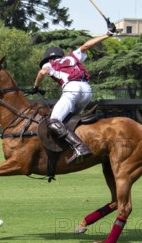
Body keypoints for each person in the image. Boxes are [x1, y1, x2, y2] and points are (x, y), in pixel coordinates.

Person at [29, 28, 116, 165]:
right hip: (87, 91)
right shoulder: (72, 56)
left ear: (49, 58)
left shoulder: (49, 63)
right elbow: (87, 45)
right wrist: (107, 34)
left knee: (54, 121)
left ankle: (80, 147)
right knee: (70, 119)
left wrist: (36, 87)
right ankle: (74, 144)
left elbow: (42, 73)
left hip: (72, 90)